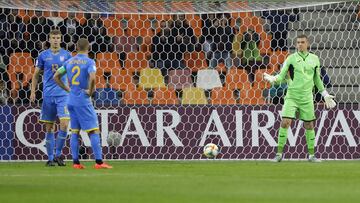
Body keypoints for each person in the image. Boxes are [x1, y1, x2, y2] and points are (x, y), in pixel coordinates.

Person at [263, 34, 336, 162]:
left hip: (307, 97)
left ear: (307, 44)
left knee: (309, 125)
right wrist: (273, 79)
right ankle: (278, 155)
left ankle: (312, 156)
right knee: (285, 122)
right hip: (292, 96)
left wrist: (324, 94)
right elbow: (281, 76)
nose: (300, 44)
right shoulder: (290, 58)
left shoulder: (315, 59)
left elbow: (317, 79)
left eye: (302, 42)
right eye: (298, 42)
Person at [53, 38, 112, 169]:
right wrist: (90, 91)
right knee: (94, 131)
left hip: (71, 100)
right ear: (88, 48)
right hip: (83, 101)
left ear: (76, 47)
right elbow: (92, 77)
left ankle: (76, 163)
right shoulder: (90, 62)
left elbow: (56, 76)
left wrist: (67, 89)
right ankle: (99, 162)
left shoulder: (69, 61)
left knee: (75, 131)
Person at [30, 29, 72, 167]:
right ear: (49, 39)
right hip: (48, 95)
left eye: (57, 37)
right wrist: (33, 92)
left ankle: (59, 154)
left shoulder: (67, 55)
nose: (55, 40)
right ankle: (50, 158)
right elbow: (36, 75)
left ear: (61, 39)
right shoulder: (43, 55)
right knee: (49, 128)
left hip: (63, 95)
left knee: (65, 124)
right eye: (53, 37)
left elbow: (72, 74)